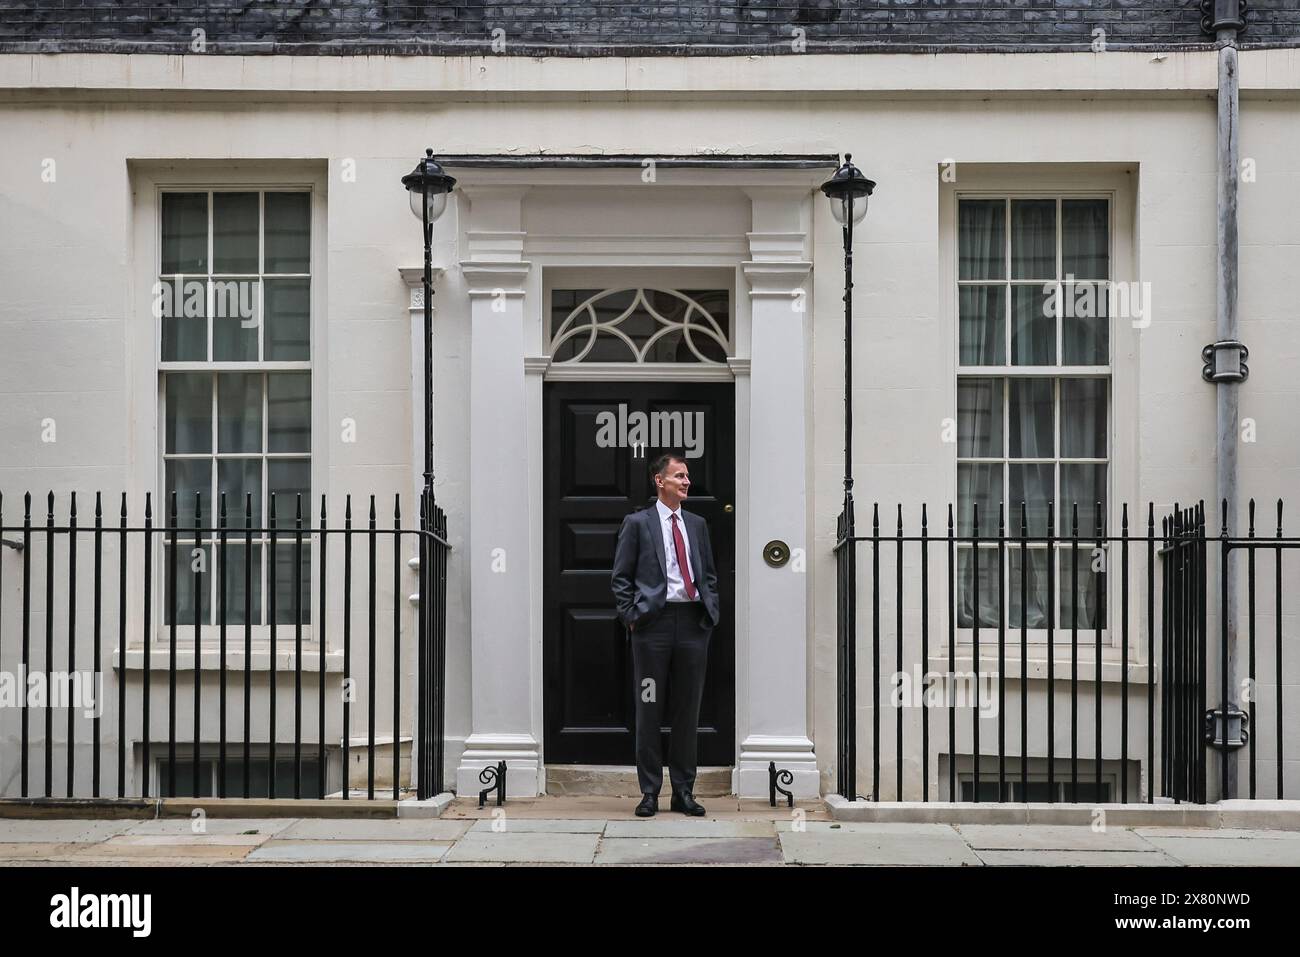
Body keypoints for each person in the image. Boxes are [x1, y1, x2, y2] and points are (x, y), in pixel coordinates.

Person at [610, 451, 720, 817]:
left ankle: (684, 791)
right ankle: (650, 792)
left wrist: (710, 610)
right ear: (660, 481)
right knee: (649, 709)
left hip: (692, 623)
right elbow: (621, 577)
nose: (686, 481)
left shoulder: (697, 524)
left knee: (688, 711)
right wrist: (632, 617)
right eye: (679, 476)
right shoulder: (638, 523)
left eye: (687, 476)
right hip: (652, 627)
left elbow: (708, 575)